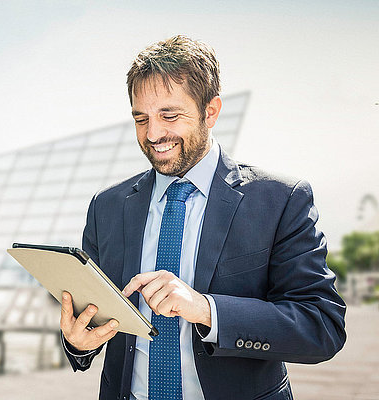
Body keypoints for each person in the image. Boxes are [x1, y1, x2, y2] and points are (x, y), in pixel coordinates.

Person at [58, 35, 346, 400]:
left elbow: (321, 327)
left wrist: (205, 309)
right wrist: (78, 341)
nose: (153, 134)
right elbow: (95, 316)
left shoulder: (281, 201)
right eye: (140, 118)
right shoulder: (107, 207)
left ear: (211, 111)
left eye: (169, 115)